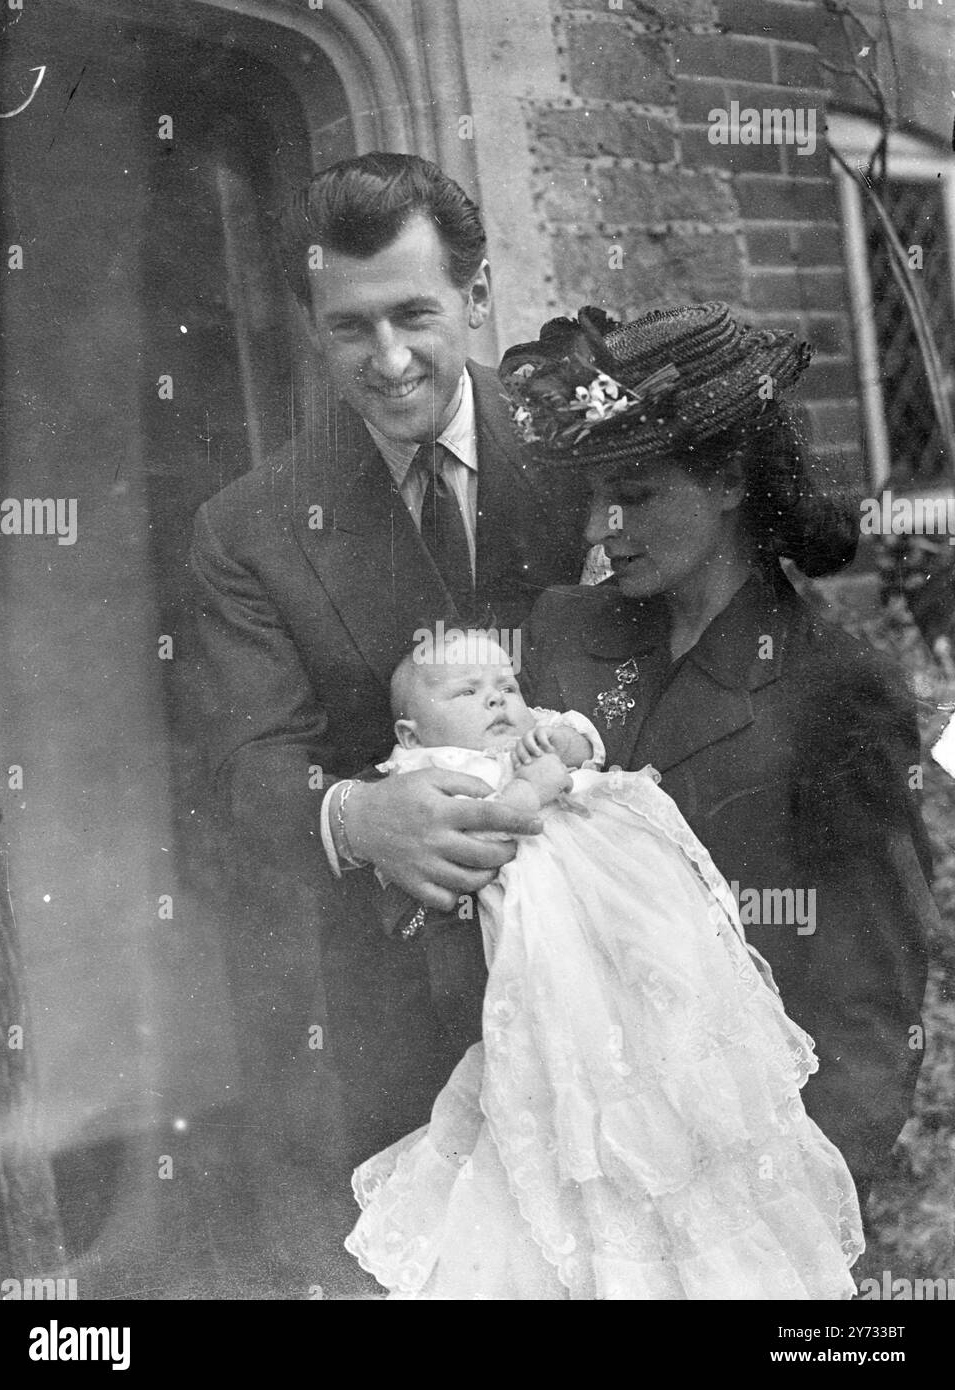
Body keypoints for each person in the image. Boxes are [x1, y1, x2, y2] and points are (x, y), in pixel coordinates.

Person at [189, 153, 585, 1189]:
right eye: (348, 327)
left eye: (415, 314)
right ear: (308, 325)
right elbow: (242, 769)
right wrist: (358, 818)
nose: (391, 359)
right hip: (401, 1029)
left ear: (479, 294)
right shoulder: (247, 531)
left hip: (606, 983)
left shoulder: (580, 452)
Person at [505, 301, 935, 1206]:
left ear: (733, 479)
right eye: (593, 496)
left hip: (733, 1190)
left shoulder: (836, 700)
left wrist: (778, 1220)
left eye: (636, 495)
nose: (599, 532)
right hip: (551, 1153)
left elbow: (864, 1015)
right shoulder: (562, 633)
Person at [344, 628, 864, 1299]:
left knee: (679, 1079)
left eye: (506, 685)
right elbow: (481, 836)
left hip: (635, 938)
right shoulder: (432, 776)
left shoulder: (529, 737)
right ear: (411, 733)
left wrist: (563, 745)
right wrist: (533, 788)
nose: (497, 701)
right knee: (572, 1106)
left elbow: (586, 737)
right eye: (468, 691)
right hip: (559, 969)